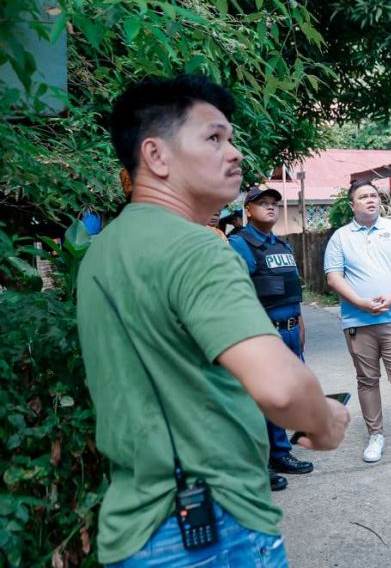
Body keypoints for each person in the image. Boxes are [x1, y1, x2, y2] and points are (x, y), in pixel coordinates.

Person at [76, 74, 348, 567]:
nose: (235, 152)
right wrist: (326, 421)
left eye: (231, 138)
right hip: (211, 530)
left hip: (137, 528)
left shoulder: (103, 250)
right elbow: (281, 388)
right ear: (156, 156)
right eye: (214, 137)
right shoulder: (198, 247)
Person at [323, 179, 391, 465]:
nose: (371, 200)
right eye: (363, 196)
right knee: (367, 379)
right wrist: (360, 302)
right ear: (352, 204)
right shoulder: (341, 237)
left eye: (374, 195)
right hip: (358, 321)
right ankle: (376, 436)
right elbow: (334, 276)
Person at [229, 187, 316, 484]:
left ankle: (279, 453)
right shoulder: (241, 244)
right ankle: (262, 460)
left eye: (275, 204)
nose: (271, 208)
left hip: (291, 330)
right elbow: (238, 294)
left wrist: (300, 326)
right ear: (248, 210)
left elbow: (292, 291)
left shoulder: (282, 245)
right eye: (262, 203)